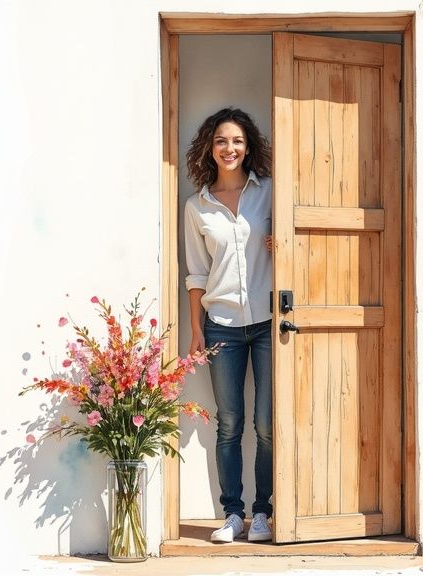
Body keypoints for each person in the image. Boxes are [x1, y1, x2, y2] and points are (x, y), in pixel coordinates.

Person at [184, 107, 274, 543]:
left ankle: (264, 513)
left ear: (248, 146)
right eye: (222, 141)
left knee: (267, 422)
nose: (230, 148)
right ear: (211, 147)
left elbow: (293, 242)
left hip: (269, 323)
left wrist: (282, 243)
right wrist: (197, 329)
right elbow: (196, 274)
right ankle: (233, 514)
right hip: (221, 324)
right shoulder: (196, 206)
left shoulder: (269, 194)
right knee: (230, 422)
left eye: (237, 141)